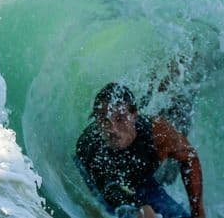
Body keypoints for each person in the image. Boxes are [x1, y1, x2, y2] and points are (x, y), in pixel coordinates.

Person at [74, 83, 205, 218]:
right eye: (103, 119)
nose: (111, 129)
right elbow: (109, 191)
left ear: (134, 116)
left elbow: (189, 157)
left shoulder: (157, 132)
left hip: (142, 180)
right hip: (106, 184)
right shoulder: (92, 147)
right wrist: (138, 208)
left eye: (120, 118)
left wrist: (198, 211)